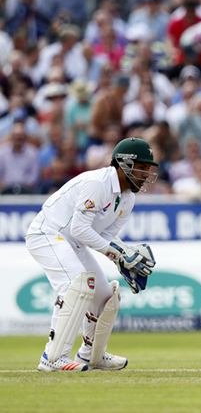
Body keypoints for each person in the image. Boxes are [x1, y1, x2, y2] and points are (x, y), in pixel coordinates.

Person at [25, 138, 159, 372]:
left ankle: (91, 355)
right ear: (125, 163)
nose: (147, 174)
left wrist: (124, 254)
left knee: (106, 295)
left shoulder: (128, 198)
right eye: (143, 167)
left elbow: (105, 236)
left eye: (149, 169)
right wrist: (117, 255)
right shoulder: (98, 183)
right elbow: (79, 228)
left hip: (73, 241)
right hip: (47, 234)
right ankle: (53, 356)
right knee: (76, 284)